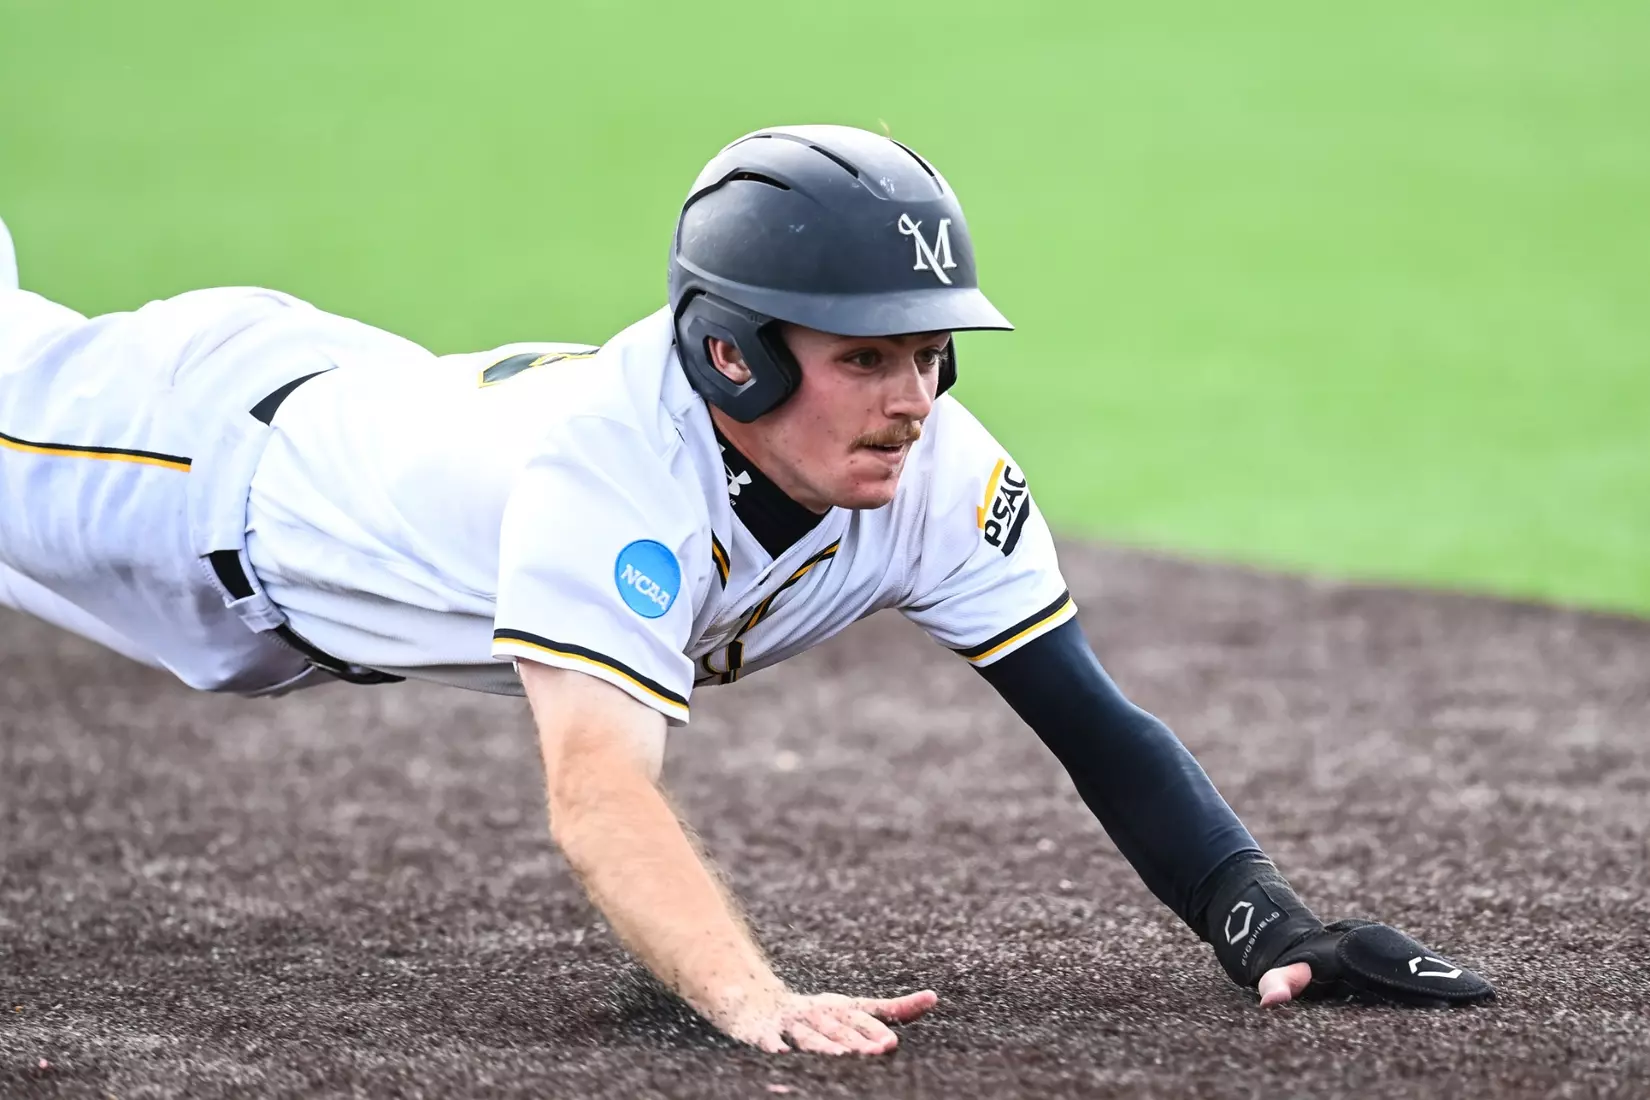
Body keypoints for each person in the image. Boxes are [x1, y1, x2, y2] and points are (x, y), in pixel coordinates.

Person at [0, 125, 1491, 1056]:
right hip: (162, 468)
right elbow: (597, 797)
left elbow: (1092, 721)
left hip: (311, 527)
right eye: (863, 356)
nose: (910, 396)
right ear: (735, 356)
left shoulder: (930, 478)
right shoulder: (612, 471)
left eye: (927, 352)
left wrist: (1260, 919)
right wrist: (747, 996)